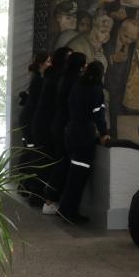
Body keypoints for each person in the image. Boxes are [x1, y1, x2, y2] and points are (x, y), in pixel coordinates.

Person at [57, 60, 111, 224]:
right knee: (78, 176)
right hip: (84, 135)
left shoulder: (78, 85)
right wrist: (104, 133)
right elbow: (98, 114)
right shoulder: (95, 89)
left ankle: (65, 208)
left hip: (71, 131)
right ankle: (68, 212)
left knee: (72, 172)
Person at [42, 51, 85, 215]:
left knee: (61, 162)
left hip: (59, 123)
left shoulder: (63, 78)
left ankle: (51, 199)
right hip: (65, 125)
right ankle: (50, 200)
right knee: (62, 163)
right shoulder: (74, 81)